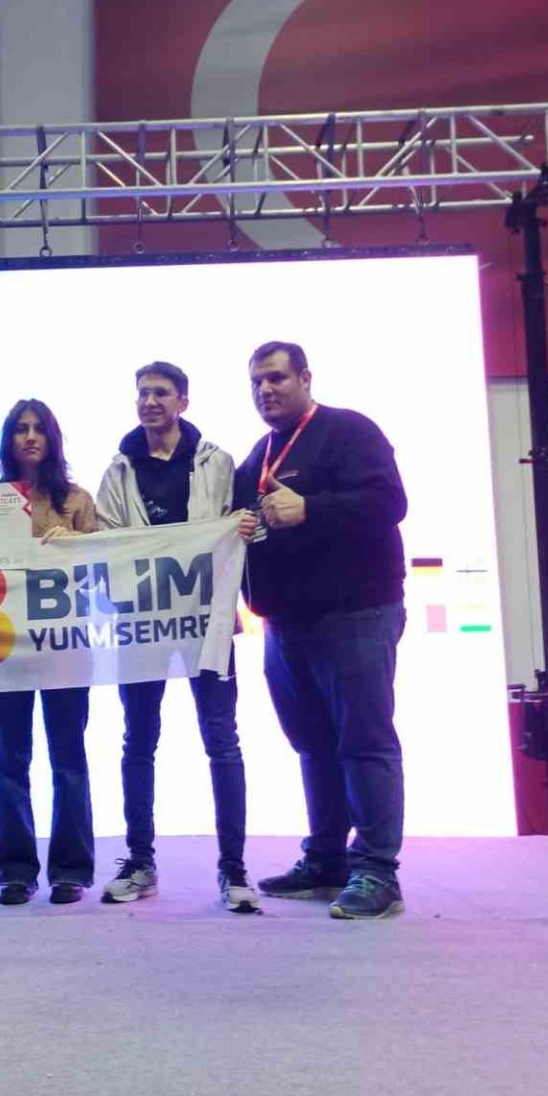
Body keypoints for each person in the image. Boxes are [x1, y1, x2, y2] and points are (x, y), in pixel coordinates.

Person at [233, 341, 409, 921]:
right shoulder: (260, 453)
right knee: (313, 744)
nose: (265, 390)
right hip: (286, 623)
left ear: (305, 378)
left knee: (364, 742)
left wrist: (311, 508)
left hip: (356, 613)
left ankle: (377, 871)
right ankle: (328, 857)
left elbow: (389, 502)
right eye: (256, 382)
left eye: (276, 378)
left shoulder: (349, 431)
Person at [94, 362, 258, 912]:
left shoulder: (217, 462)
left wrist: (246, 527)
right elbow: (106, 543)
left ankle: (234, 870)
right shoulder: (118, 470)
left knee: (222, 739)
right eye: (142, 393)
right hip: (141, 624)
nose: (150, 401)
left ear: (183, 401)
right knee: (138, 741)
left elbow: (239, 527)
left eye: (161, 393)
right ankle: (140, 862)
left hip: (207, 621)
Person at [0, 399, 99, 906]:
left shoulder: (77, 500)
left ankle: (70, 869)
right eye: (20, 429)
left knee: (68, 757)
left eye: (39, 429)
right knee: (10, 758)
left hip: (65, 646)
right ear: (8, 440)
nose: (30, 437)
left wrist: (76, 543)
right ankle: (15, 870)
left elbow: (104, 575)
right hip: (5, 645)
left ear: (53, 439)